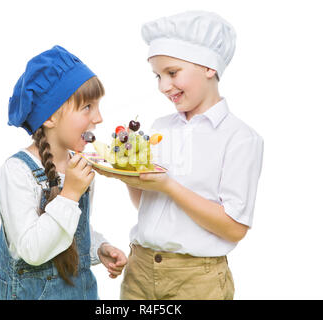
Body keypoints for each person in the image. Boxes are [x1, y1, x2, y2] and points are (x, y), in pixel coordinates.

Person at [95, 11, 264, 300]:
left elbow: (234, 228)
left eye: (172, 73)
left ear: (210, 67)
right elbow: (147, 204)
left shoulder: (240, 138)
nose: (163, 86)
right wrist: (127, 175)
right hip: (140, 271)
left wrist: (169, 186)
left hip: (198, 281)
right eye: (158, 76)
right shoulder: (161, 128)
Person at [0, 45, 127, 300]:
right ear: (50, 117)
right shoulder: (17, 172)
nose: (98, 117)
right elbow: (32, 250)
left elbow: (72, 230)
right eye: (87, 107)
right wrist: (71, 194)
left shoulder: (79, 163)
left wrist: (98, 248)